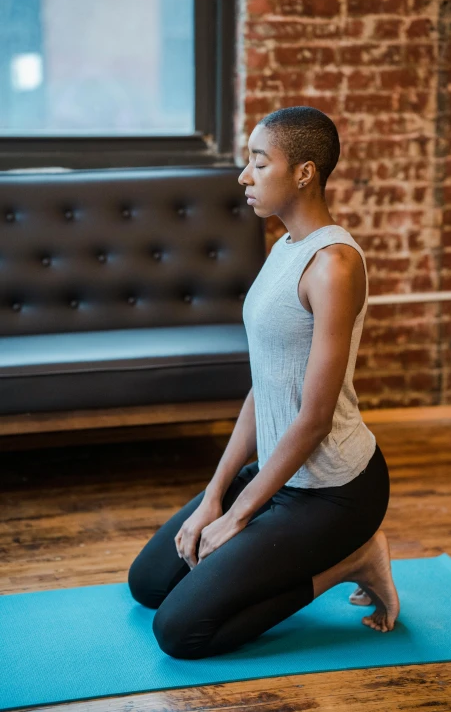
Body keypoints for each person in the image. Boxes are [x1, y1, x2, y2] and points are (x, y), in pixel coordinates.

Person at [128, 106, 400, 660]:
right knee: (150, 583)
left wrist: (238, 515)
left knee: (180, 632)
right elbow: (266, 384)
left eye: (258, 162)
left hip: (333, 493)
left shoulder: (334, 265)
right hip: (278, 474)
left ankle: (349, 561)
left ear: (302, 172)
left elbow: (315, 418)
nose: (243, 176)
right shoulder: (283, 249)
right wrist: (213, 497)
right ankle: (266, 529)